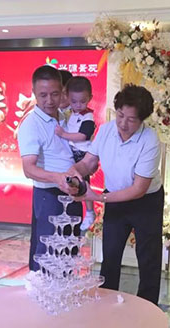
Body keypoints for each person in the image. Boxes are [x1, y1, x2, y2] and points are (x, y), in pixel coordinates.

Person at [67, 84, 164, 304]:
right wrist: (74, 171)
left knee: (148, 257)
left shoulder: (150, 140)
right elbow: (89, 162)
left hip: (146, 202)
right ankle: (106, 303)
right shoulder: (107, 130)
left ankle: (148, 307)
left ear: (142, 120)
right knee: (110, 253)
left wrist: (96, 197)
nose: (123, 123)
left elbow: (138, 189)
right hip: (114, 197)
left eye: (131, 119)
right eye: (120, 115)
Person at [18, 65, 82, 271]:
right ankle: (41, 291)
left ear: (62, 91)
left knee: (69, 253)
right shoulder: (31, 124)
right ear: (34, 93)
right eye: (43, 95)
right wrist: (58, 178)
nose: (49, 101)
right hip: (49, 197)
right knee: (48, 255)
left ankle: (66, 291)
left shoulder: (65, 117)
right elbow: (28, 169)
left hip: (71, 192)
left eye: (55, 94)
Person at [54, 76, 96, 231]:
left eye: (82, 101)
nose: (78, 105)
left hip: (83, 154)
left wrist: (64, 134)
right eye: (74, 101)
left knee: (83, 183)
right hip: (73, 152)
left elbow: (83, 136)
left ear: (90, 98)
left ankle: (90, 212)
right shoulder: (70, 113)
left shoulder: (88, 116)